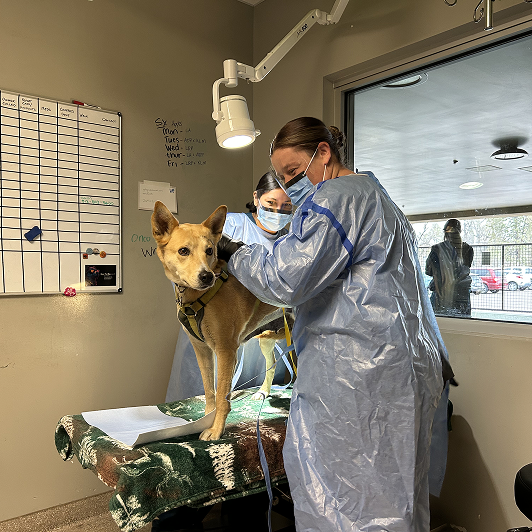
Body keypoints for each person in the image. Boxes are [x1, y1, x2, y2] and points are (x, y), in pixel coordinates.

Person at [218, 117, 453, 532]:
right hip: (405, 366)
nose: (290, 187)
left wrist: (235, 254)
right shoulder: (380, 199)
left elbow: (286, 279)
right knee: (396, 495)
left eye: (293, 172)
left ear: (323, 153)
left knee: (348, 498)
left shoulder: (336, 198)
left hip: (361, 375)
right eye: (283, 179)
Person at [165, 172, 293, 403]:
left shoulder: (291, 239)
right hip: (211, 326)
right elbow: (193, 263)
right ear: (256, 198)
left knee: (250, 404)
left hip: (258, 329)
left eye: (286, 206)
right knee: (199, 404)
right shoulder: (231, 225)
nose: (277, 212)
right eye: (271, 204)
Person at [425, 218, 474, 317]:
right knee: (462, 324)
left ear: (445, 232)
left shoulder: (436, 249)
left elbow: (428, 271)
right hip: (461, 295)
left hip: (440, 293)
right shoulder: (468, 249)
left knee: (438, 324)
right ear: (459, 231)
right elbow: (465, 268)